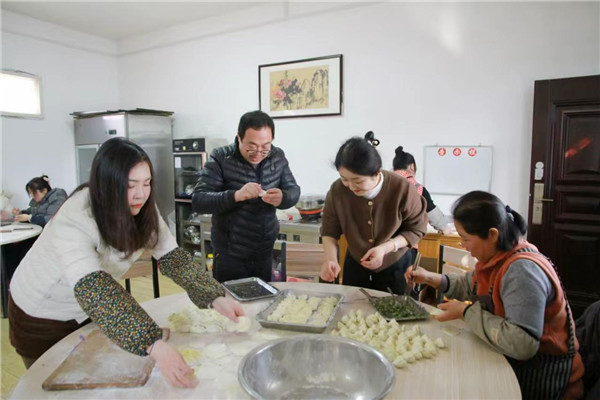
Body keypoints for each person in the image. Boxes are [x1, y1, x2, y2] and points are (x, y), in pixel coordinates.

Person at [9, 138, 244, 388]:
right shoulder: (75, 218)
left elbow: (172, 257)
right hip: (40, 315)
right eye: (130, 185)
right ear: (106, 185)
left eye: (146, 183)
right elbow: (93, 288)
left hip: (90, 311)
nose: (141, 194)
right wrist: (153, 344)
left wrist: (213, 296)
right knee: (53, 386)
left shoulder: (142, 208)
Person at [405, 191, 584, 399]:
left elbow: (523, 343)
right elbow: (470, 284)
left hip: (544, 376)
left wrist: (466, 312)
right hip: (511, 359)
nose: (463, 245)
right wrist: (429, 278)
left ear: (492, 235)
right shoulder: (497, 256)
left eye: (465, 239)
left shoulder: (522, 271)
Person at [192, 110, 301, 283]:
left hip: (264, 251)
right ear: (239, 138)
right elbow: (199, 200)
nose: (258, 152)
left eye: (265, 146)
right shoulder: (221, 157)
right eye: (252, 146)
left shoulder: (277, 156)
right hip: (230, 254)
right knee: (231, 299)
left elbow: (293, 190)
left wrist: (283, 197)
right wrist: (236, 195)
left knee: (263, 296)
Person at [319, 131, 428, 294]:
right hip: (356, 266)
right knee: (353, 307)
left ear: (377, 173)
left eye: (357, 181)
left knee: (394, 309)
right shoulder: (337, 190)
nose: (350, 186)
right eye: (344, 178)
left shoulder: (402, 188)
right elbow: (329, 230)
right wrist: (331, 259)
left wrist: (386, 248)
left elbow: (417, 229)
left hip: (396, 265)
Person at [392, 146, 453, 231]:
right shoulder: (417, 189)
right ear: (412, 166)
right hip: (406, 236)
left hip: (382, 235)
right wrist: (445, 228)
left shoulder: (384, 183)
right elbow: (436, 219)